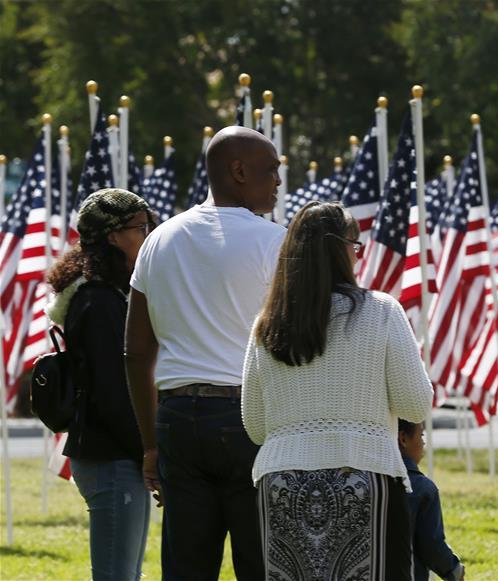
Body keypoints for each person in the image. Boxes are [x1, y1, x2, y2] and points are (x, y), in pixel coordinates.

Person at [125, 126, 286, 580]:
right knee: (261, 564)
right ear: (238, 171)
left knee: (185, 569)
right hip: (251, 420)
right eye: (270, 170)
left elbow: (136, 351)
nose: (276, 181)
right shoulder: (275, 242)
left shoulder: (159, 239)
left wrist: (151, 445)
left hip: (177, 421)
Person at [242, 201, 433, 581]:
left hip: (282, 484)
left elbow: (256, 425)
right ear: (340, 249)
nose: (358, 254)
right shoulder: (381, 311)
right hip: (365, 478)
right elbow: (415, 401)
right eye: (355, 244)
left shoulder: (267, 325)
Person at [46, 188, 154, 581]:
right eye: (140, 228)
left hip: (116, 455)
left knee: (128, 573)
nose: (148, 235)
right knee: (117, 576)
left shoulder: (107, 295)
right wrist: (148, 450)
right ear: (112, 236)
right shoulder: (98, 301)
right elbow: (114, 393)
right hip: (112, 456)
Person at [398, 419, 465, 581]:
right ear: (404, 439)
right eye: (421, 435)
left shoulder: (365, 482)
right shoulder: (422, 488)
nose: (423, 443)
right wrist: (453, 570)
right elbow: (432, 545)